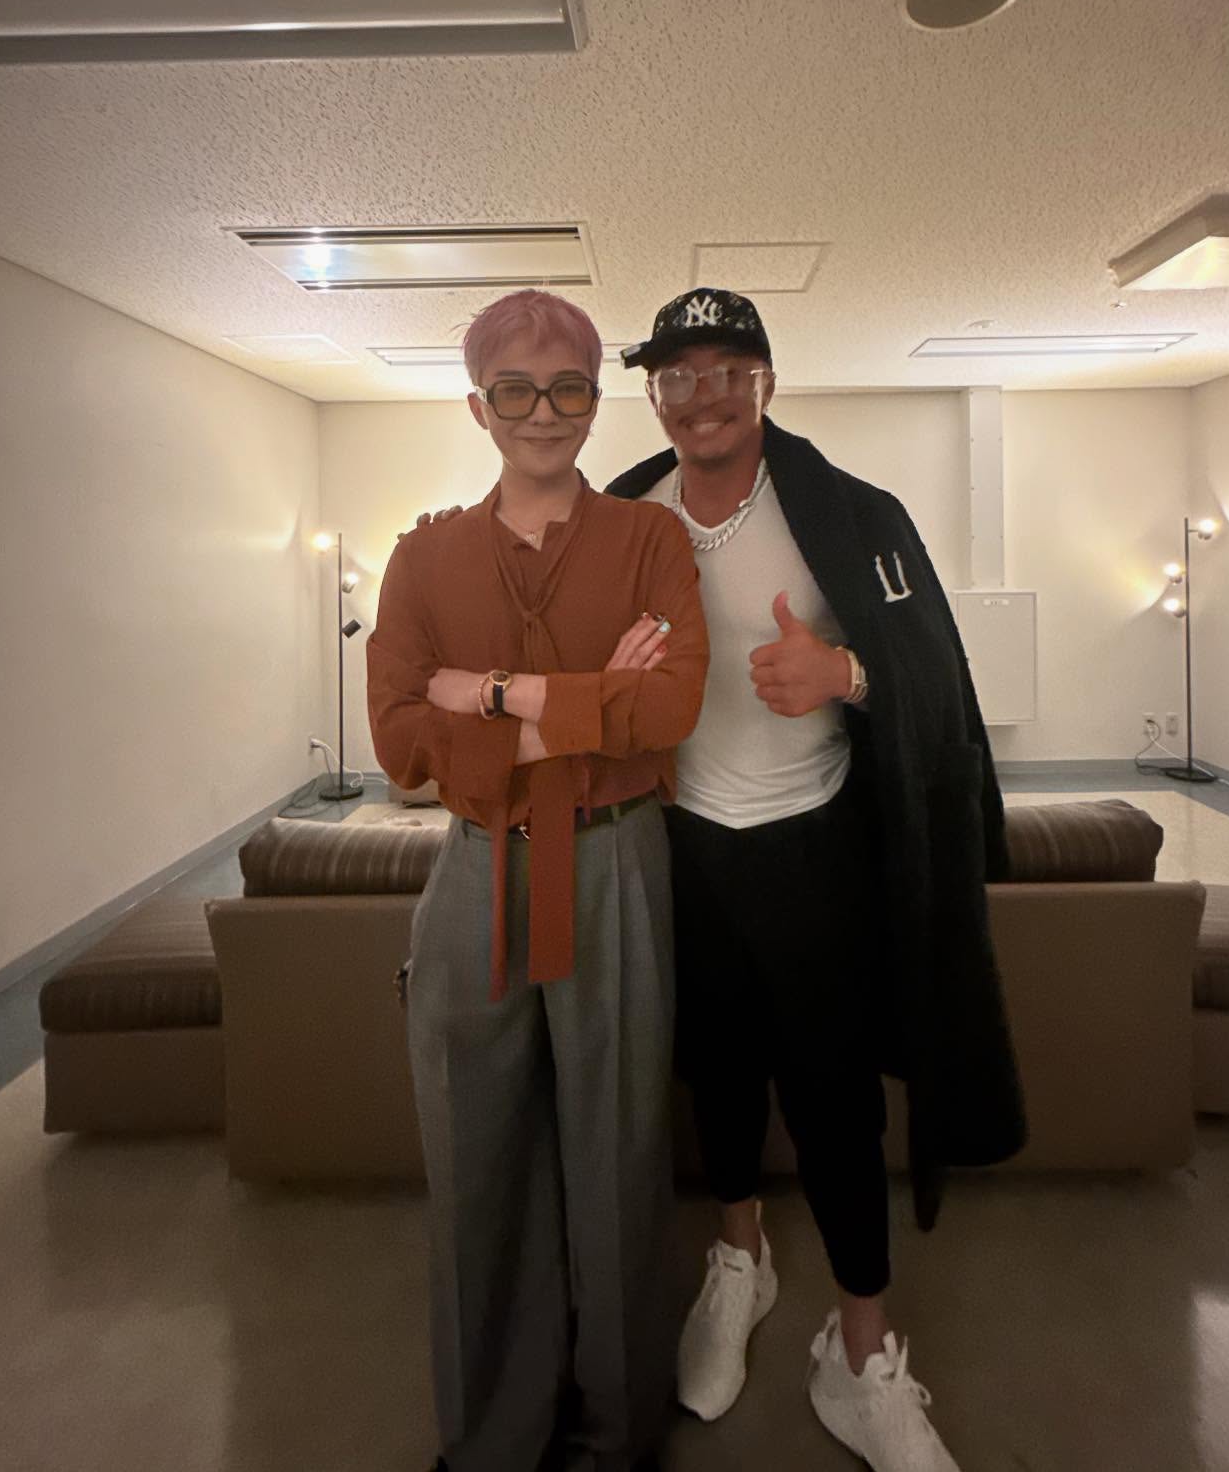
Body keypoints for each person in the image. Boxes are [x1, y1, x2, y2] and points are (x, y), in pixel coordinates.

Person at [605, 288, 1025, 1472]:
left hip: (816, 845)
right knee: (718, 1073)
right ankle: (739, 1259)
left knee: (836, 1098)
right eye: (678, 376)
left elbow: (934, 677)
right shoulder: (623, 515)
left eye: (728, 372)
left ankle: (860, 1349)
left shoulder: (851, 514)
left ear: (767, 385)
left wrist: (843, 672)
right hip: (683, 846)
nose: (703, 397)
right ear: (655, 395)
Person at [367, 289, 708, 1472]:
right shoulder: (423, 557)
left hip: (616, 864)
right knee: (475, 1164)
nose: (544, 412)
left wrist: (492, 695)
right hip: (477, 874)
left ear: (595, 400)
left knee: (620, 1159)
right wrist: (587, 704)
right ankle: (492, 1440)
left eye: (568, 387)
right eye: (515, 389)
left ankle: (618, 1436)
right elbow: (398, 739)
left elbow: (670, 707)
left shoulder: (650, 541)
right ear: (480, 406)